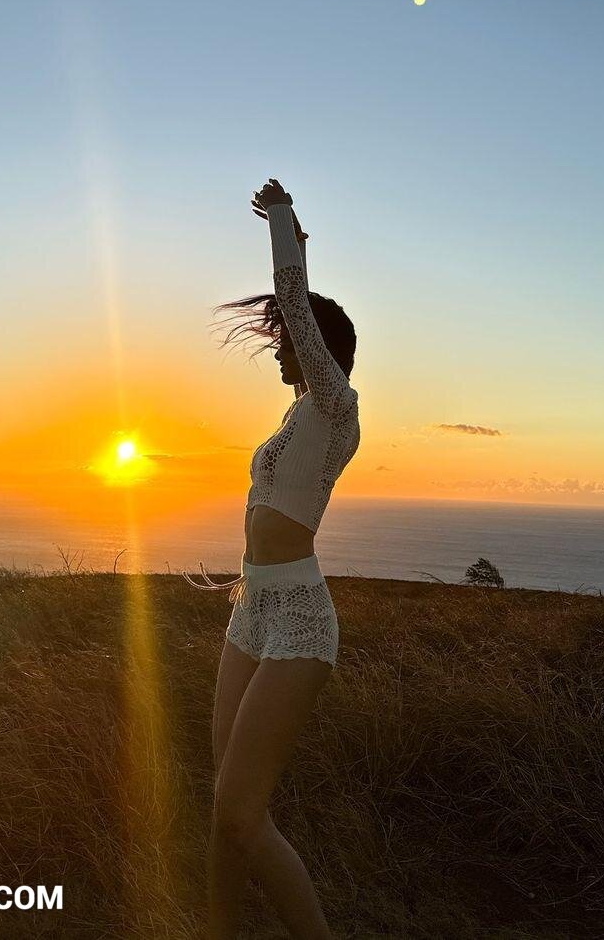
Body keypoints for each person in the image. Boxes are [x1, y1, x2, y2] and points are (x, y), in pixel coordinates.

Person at [183, 177, 361, 940]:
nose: (280, 348)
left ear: (320, 350)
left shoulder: (336, 408)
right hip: (252, 610)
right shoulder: (297, 416)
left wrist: (283, 222)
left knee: (244, 812)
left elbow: (294, 301)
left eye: (290, 340)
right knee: (225, 803)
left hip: (300, 622)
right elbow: (298, 305)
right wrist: (304, 251)